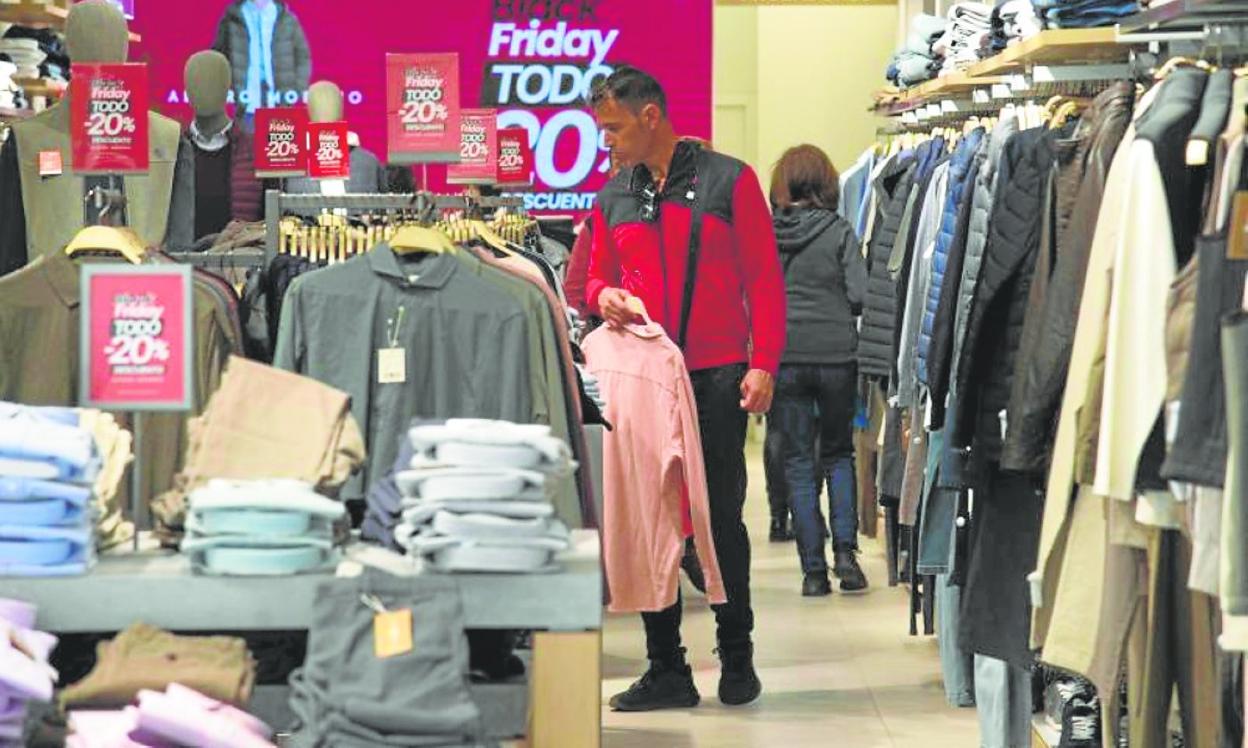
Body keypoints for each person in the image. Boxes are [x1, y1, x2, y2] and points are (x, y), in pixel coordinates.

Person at [587, 66, 786, 711]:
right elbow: (590, 281)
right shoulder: (612, 194)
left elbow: (765, 280)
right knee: (650, 521)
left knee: (718, 518)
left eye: (613, 128)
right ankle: (667, 667)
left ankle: (737, 656)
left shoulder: (731, 181)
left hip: (719, 374)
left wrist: (765, 363)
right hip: (643, 378)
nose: (605, 141)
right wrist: (605, 296)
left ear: (650, 117)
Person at [768, 144, 869, 597]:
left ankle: (813, 573)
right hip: (836, 357)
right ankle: (845, 555)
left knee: (796, 462)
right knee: (837, 455)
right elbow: (861, 294)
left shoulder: (766, 236)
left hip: (784, 357)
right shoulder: (840, 232)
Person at [213, 0, 311, 120]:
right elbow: (218, 58)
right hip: (245, 107)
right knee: (246, 137)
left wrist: (295, 90)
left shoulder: (287, 19)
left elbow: (303, 57)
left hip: (280, 106)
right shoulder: (232, 20)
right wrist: (230, 92)